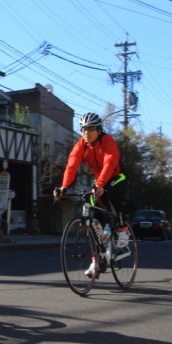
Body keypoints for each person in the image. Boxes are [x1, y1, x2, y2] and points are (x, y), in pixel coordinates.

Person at [54, 112, 128, 279]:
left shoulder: (107, 141)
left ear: (99, 129)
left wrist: (101, 184)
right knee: (92, 221)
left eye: (91, 129)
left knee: (111, 195)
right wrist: (64, 187)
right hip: (99, 180)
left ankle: (122, 229)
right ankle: (96, 260)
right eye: (84, 129)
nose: (87, 133)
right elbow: (71, 165)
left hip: (116, 176)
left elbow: (110, 162)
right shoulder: (82, 145)